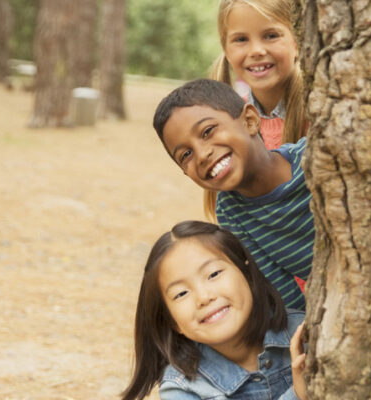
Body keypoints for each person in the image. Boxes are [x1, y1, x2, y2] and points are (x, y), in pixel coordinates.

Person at [153, 79, 313, 311]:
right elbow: (285, 300)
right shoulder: (231, 213)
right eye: (186, 154)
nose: (202, 154)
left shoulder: (313, 158)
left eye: (207, 131)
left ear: (250, 120)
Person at [121, 220, 308, 400]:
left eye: (213, 274)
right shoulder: (182, 388)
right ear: (172, 321)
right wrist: (298, 395)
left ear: (247, 274)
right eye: (181, 293)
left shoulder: (307, 332)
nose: (204, 297)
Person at [205, 0, 308, 222]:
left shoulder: (319, 111)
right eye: (241, 39)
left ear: (298, 40)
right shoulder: (230, 123)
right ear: (226, 50)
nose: (257, 51)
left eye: (271, 35)